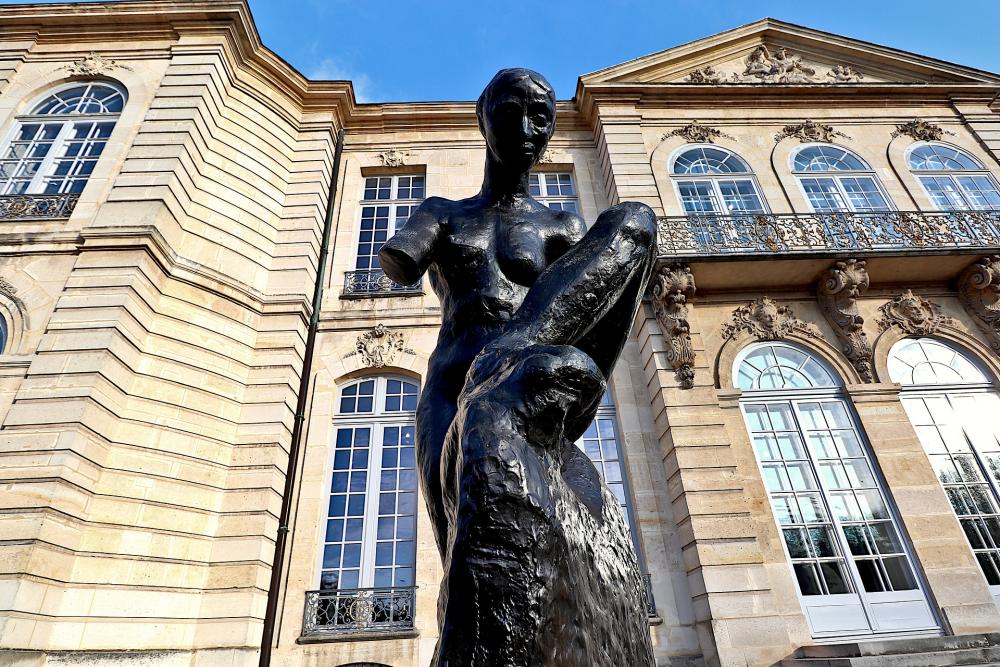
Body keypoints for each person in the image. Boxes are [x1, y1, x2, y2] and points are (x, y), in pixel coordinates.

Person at [379, 68, 657, 560]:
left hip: (531, 383)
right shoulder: (442, 213)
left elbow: (590, 303)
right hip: (453, 387)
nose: (526, 130)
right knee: (462, 545)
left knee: (633, 220)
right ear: (482, 119)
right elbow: (401, 262)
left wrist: (519, 347)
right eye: (510, 113)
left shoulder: (562, 226)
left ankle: (514, 350)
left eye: (541, 117)